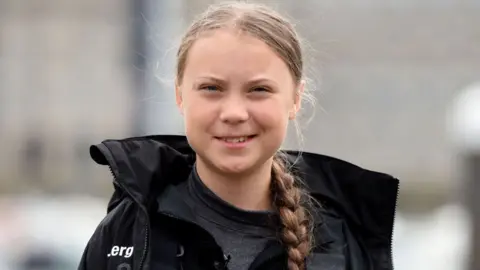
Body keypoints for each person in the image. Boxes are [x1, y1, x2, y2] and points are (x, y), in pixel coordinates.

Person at [78, 2, 399, 270]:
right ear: (179, 96)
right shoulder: (128, 235)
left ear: (295, 99)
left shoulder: (344, 247)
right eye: (211, 89)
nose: (233, 112)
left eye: (258, 90)